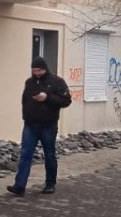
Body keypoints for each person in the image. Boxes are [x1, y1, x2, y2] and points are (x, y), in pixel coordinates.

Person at [7, 57, 72, 196]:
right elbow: (25, 100)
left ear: (45, 69)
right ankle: (19, 186)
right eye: (34, 70)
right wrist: (26, 115)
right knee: (25, 154)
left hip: (48, 125)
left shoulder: (57, 82)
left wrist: (47, 98)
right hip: (30, 125)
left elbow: (66, 101)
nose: (36, 73)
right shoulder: (29, 82)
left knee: (49, 154)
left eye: (39, 70)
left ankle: (50, 184)